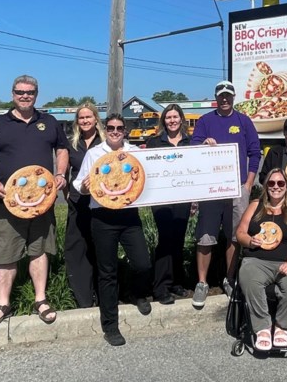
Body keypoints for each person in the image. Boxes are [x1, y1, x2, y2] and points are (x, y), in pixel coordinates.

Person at [0, 74, 69, 332]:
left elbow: (62, 149)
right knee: (6, 253)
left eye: (30, 92)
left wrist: (60, 173)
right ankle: (3, 304)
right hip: (8, 203)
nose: (25, 96)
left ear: (37, 94)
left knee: (39, 250)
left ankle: (41, 299)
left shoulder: (49, 122)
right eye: (20, 92)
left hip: (42, 202)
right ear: (12, 93)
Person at [72, 113, 153, 347]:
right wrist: (85, 188)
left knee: (142, 263)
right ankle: (110, 325)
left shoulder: (134, 152)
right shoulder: (94, 153)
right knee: (107, 272)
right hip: (102, 217)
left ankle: (136, 293)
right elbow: (78, 183)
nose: (115, 131)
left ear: (125, 130)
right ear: (104, 129)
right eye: (110, 128)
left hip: (129, 215)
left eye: (119, 128)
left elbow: (148, 178)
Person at [189, 80, 262, 309]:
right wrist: (204, 144)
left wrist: (249, 184)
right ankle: (202, 283)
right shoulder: (205, 121)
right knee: (205, 237)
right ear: (216, 97)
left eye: (228, 95)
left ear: (233, 97)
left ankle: (229, 279)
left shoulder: (243, 121)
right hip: (211, 189)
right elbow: (193, 147)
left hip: (237, 188)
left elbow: (255, 152)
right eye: (221, 95)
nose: (224, 99)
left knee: (234, 236)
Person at [234, 167, 287, 352]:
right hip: (258, 259)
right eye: (271, 183)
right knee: (248, 277)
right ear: (266, 185)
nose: (276, 187)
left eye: (280, 183)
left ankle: (282, 327)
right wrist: (250, 241)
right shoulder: (255, 205)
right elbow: (240, 233)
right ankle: (262, 328)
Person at [144, 104, 193, 305]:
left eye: (175, 117)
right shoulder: (154, 142)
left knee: (179, 238)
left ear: (181, 119)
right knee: (166, 238)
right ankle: (160, 286)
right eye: (168, 117)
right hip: (161, 199)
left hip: (183, 196)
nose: (172, 120)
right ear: (163, 120)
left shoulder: (191, 142)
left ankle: (175, 282)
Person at [63, 103, 104, 308]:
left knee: (99, 247)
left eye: (89, 117)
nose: (85, 121)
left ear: (96, 119)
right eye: (81, 118)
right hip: (78, 202)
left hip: (102, 203)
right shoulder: (71, 142)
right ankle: (84, 298)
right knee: (76, 249)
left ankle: (102, 292)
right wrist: (67, 193)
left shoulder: (105, 142)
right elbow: (64, 171)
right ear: (77, 121)